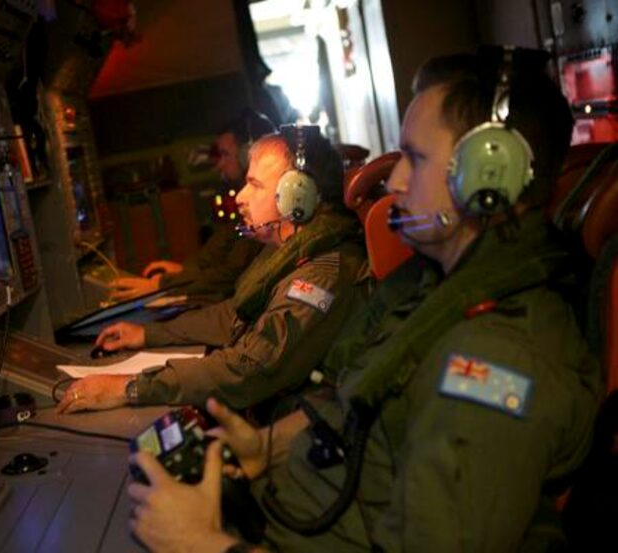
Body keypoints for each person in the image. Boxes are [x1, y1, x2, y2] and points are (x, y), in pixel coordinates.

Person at [125, 48, 603, 551]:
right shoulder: (436, 291)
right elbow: (363, 410)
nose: (393, 181)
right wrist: (267, 448)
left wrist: (199, 545)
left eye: (415, 159)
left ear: (490, 176)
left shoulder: (496, 362)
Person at [57, 128, 368, 413]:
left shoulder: (322, 274)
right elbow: (232, 314)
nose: (241, 197)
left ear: (296, 197)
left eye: (254, 185)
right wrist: (148, 334)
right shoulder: (288, 252)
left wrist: (130, 387)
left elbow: (249, 368)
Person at [108, 109, 275, 303]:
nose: (219, 164)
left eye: (224, 154)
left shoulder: (261, 207)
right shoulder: (242, 204)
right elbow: (222, 245)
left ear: (247, 154)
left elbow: (231, 273)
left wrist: (162, 286)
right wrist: (184, 271)